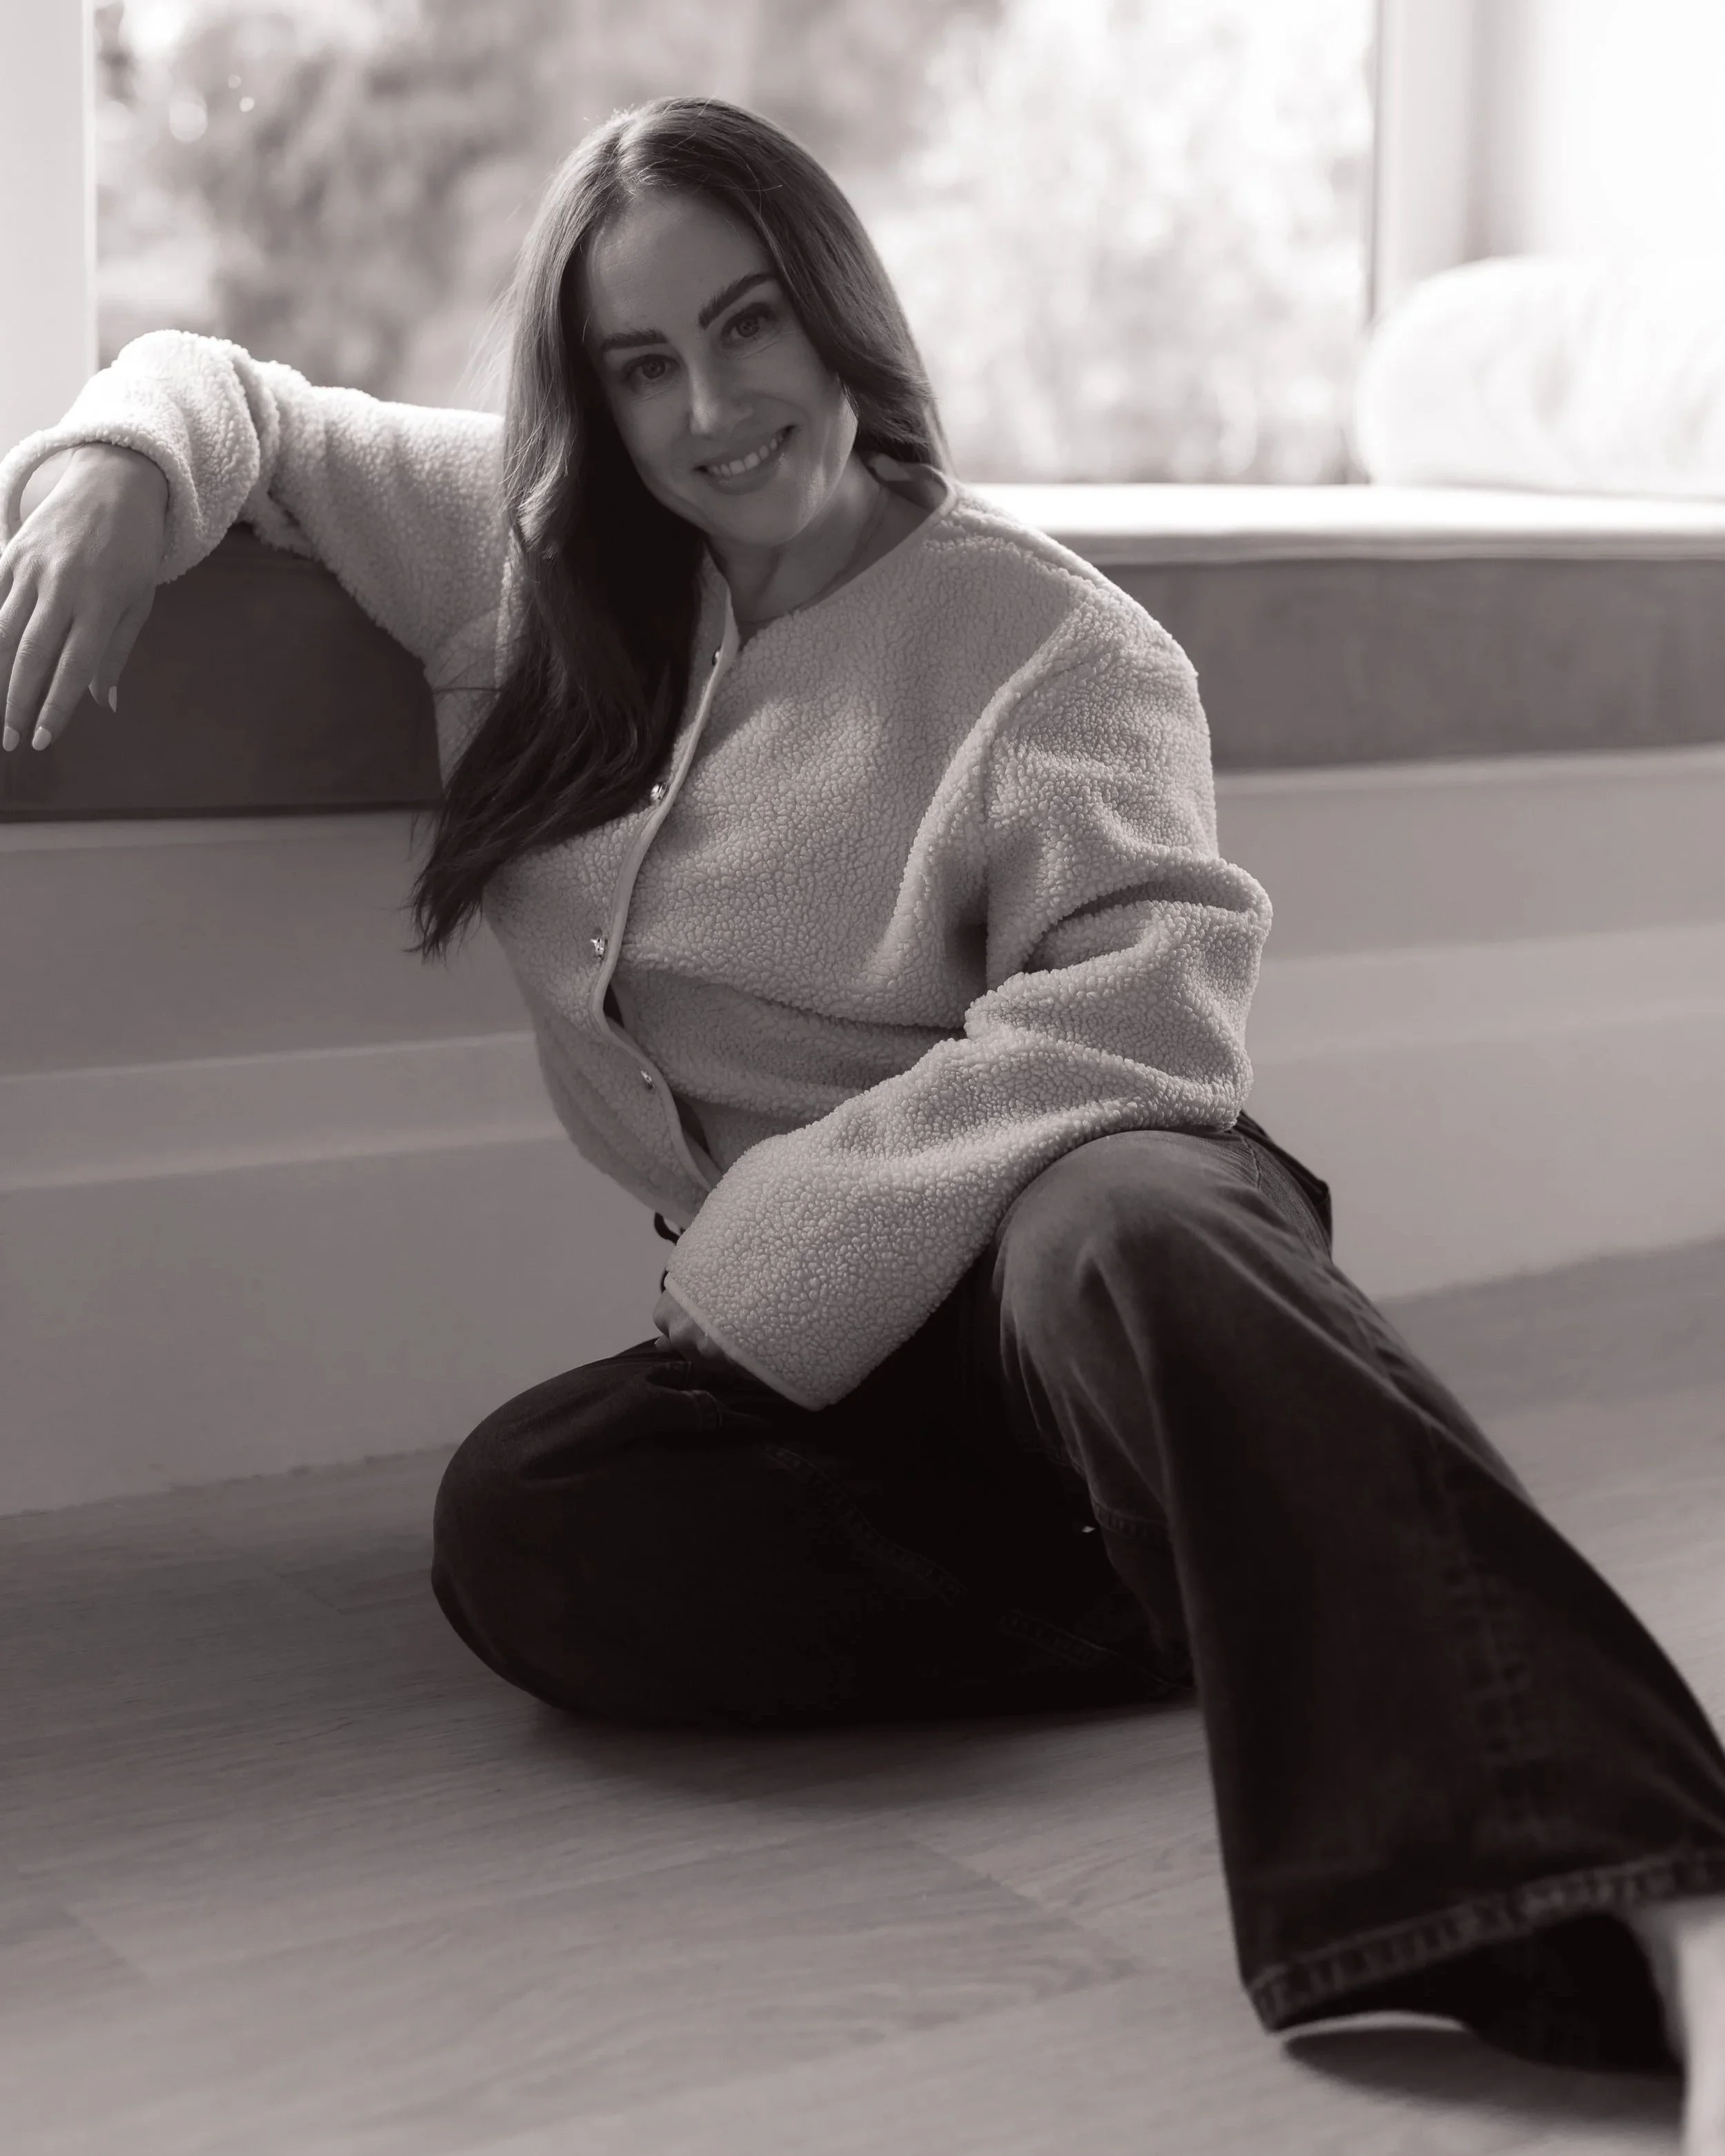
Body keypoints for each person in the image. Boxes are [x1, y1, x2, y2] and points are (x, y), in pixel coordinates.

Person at [3, 90, 1725, 2149]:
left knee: (1129, 1221)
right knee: (525, 1531)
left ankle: (1621, 1882)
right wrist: (112, 472)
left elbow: (1145, 1012)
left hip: (1075, 1225)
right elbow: (241, 399)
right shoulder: (525, 553)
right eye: (640, 364)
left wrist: (780, 1238)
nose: (712, 407)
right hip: (845, 1366)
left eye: (748, 327)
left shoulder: (1054, 643)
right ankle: (1224, 1567)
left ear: (837, 313)